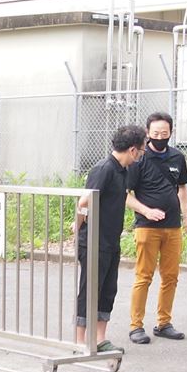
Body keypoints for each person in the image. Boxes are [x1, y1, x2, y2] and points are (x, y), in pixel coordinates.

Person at [72, 124, 155, 351]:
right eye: (142, 150)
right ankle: (80, 341)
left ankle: (99, 339)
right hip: (94, 241)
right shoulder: (104, 169)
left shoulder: (122, 170)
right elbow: (84, 202)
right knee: (90, 289)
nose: (141, 155)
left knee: (108, 289)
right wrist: (77, 230)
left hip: (110, 239)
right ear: (132, 150)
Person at [126, 112, 187, 345]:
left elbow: (183, 189)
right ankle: (136, 326)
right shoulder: (138, 158)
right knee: (143, 277)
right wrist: (146, 211)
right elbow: (125, 195)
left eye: (164, 134)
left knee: (171, 277)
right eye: (155, 133)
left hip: (173, 227)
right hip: (147, 227)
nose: (160, 137)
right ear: (147, 133)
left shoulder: (177, 156)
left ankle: (164, 322)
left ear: (171, 133)